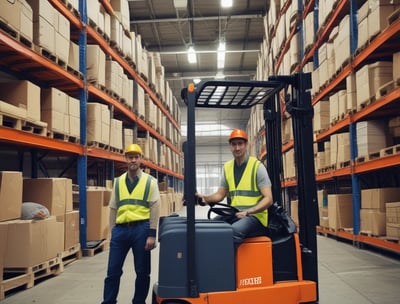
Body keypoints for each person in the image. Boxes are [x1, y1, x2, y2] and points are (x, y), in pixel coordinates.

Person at [102, 143, 160, 304]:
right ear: (125, 159)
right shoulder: (118, 181)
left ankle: (138, 302)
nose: (133, 160)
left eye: (136, 157)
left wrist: (151, 234)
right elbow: (113, 208)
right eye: (130, 157)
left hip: (141, 230)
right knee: (112, 272)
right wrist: (112, 232)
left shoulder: (150, 181)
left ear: (141, 159)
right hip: (120, 231)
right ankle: (108, 301)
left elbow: (155, 208)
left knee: (142, 272)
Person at [197, 129, 273, 248]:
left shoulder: (257, 167)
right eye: (234, 144)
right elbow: (220, 195)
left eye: (240, 144)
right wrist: (205, 198)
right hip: (236, 214)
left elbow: (269, 199)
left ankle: (226, 264)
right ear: (230, 146)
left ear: (246, 145)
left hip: (255, 217)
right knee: (211, 228)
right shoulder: (228, 167)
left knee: (233, 231)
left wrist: (249, 211)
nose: (237, 148)